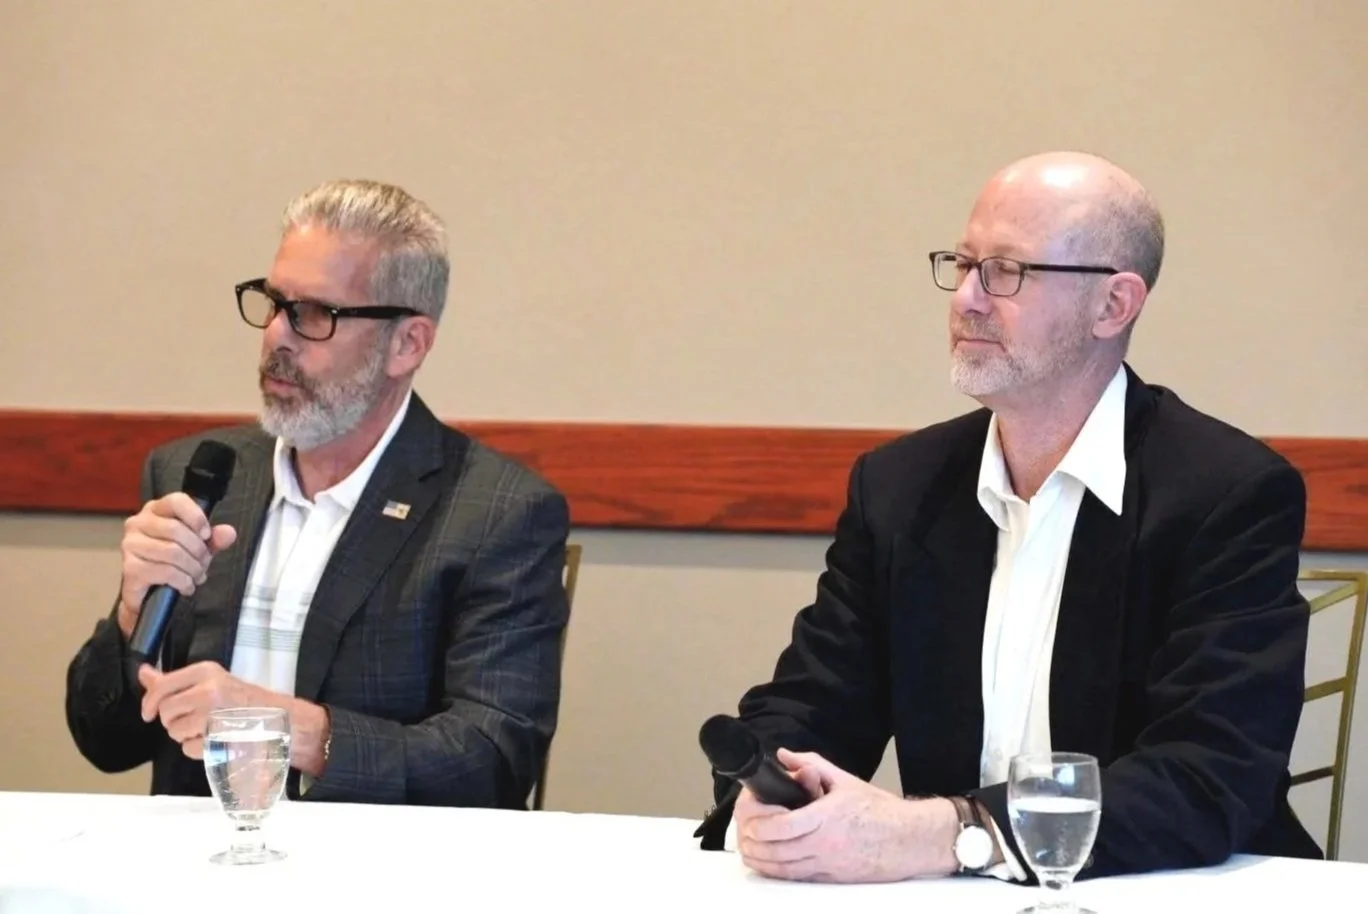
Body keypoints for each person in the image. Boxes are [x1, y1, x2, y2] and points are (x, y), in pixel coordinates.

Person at [696, 151, 1322, 882]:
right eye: (962, 264)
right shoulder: (900, 487)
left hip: (1177, 888)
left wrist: (952, 832)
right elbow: (811, 703)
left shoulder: (1227, 491)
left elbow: (1207, 775)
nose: (966, 298)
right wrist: (767, 789)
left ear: (1113, 305)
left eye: (1007, 271)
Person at [65, 179, 572, 809]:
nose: (277, 335)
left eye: (314, 314)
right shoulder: (196, 477)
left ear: (407, 344)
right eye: (273, 303)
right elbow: (104, 742)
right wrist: (130, 616)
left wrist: (290, 729)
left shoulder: (498, 512)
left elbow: (494, 762)